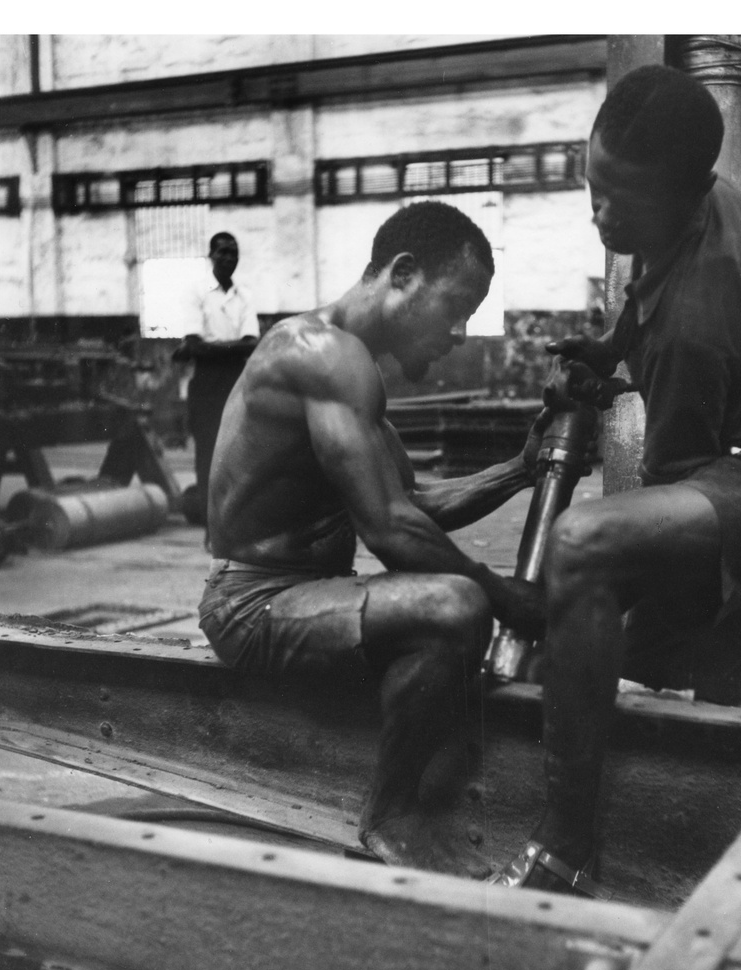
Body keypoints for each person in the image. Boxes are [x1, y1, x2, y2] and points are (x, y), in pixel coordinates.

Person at [494, 65, 741, 895]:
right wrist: (610, 358)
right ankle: (699, 729)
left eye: (619, 201)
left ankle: (567, 846)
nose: (598, 212)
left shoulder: (703, 312)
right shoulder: (699, 200)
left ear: (683, 195)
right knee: (587, 596)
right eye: (593, 186)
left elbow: (671, 481)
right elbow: (645, 288)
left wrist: (577, 615)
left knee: (583, 545)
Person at [198, 201, 548, 877]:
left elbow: (412, 506)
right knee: (457, 606)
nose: (460, 331)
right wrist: (507, 597)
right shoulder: (321, 355)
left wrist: (520, 469)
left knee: (455, 598)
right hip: (251, 604)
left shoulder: (351, 373)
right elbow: (390, 530)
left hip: (305, 594)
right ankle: (391, 817)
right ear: (404, 274)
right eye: (458, 305)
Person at [173, 232, 260, 537]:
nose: (228, 258)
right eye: (222, 252)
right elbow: (195, 346)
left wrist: (208, 347)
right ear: (210, 256)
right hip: (207, 383)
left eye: (233, 253)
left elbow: (252, 344)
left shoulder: (245, 296)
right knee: (208, 454)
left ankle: (236, 523)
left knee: (239, 453)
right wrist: (228, 347)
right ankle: (214, 529)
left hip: (237, 382)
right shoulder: (197, 292)